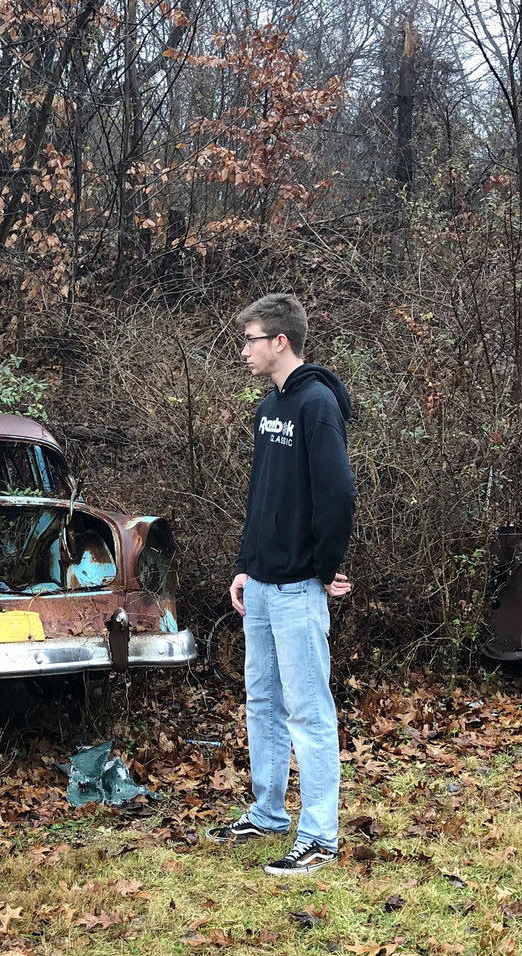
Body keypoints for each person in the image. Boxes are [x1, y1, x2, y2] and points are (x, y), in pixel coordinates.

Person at [206, 294, 357, 875]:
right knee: (263, 702)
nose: (243, 351)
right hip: (264, 584)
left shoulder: (317, 404)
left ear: (280, 341)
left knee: (308, 711)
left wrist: (322, 566)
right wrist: (246, 564)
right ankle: (268, 813)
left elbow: (338, 494)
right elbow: (262, 494)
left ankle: (319, 836)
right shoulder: (270, 405)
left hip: (297, 588)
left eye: (250, 340)